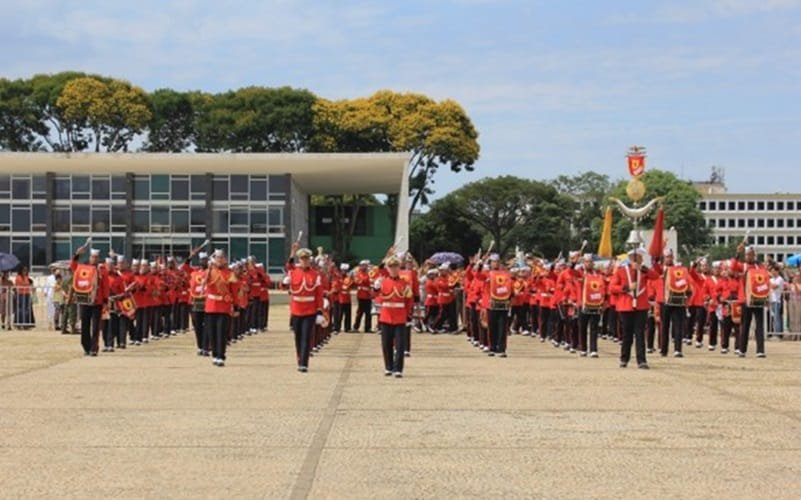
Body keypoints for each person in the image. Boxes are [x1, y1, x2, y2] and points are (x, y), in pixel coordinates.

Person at [609, 248, 662, 369]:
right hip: (625, 305)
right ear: (632, 258)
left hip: (641, 305)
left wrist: (643, 269)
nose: (641, 260)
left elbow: (656, 276)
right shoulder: (621, 271)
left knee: (640, 333)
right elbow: (612, 287)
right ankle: (624, 358)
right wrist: (626, 288)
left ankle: (641, 360)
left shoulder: (643, 271)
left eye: (641, 258)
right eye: (638, 257)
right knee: (627, 334)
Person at [284, 244, 324, 373]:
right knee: (298, 337)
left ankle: (304, 363)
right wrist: (292, 251)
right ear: (299, 260)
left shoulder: (315, 275)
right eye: (302, 259)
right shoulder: (293, 272)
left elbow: (319, 294)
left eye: (306, 259)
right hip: (296, 310)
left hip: (310, 311)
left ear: (309, 260)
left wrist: (319, 311)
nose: (304, 261)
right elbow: (288, 267)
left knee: (306, 337)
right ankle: (299, 358)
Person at [376, 256, 413, 377]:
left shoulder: (405, 283)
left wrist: (408, 314)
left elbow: (408, 300)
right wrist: (376, 288)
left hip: (400, 316)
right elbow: (377, 298)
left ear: (399, 268)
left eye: (396, 266)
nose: (393, 269)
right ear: (388, 268)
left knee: (400, 344)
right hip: (386, 315)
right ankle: (388, 367)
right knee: (386, 344)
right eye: (391, 267)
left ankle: (398, 369)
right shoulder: (383, 282)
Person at [71, 243, 110, 356]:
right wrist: (77, 254)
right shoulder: (83, 267)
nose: (94, 259)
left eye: (96, 257)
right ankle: (86, 346)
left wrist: (105, 299)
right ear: (89, 257)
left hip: (97, 301)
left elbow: (105, 285)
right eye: (93, 257)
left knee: (96, 327)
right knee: (85, 325)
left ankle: (93, 348)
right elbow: (73, 267)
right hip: (85, 299)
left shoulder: (102, 269)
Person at [730, 244, 769, 358]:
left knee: (759, 325)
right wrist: (737, 254)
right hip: (745, 299)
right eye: (747, 255)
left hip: (758, 298)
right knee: (745, 325)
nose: (749, 256)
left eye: (751, 255)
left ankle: (760, 350)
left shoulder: (759, 267)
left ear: (754, 255)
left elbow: (765, 279)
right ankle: (742, 350)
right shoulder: (742, 266)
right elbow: (733, 267)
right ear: (745, 255)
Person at [203, 249, 238, 367]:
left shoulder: (230, 273)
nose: (219, 260)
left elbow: (234, 291)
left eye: (222, 257)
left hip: (224, 306)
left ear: (225, 260)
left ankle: (221, 355)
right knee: (212, 332)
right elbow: (203, 283)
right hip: (211, 306)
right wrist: (208, 269)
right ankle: (214, 355)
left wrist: (236, 306)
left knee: (222, 332)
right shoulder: (209, 272)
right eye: (217, 257)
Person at [352, 260, 374, 333]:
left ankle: (368, 328)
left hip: (368, 296)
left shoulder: (369, 273)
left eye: (366, 265)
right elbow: (357, 282)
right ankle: (356, 327)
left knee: (368, 313)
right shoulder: (358, 274)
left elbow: (371, 282)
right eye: (363, 265)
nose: (365, 267)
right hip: (361, 295)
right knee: (360, 312)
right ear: (360, 266)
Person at [769, 266, 785, 336]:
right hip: (771, 300)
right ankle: (775, 332)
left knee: (777, 317)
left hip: (777, 301)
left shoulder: (780, 279)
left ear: (777, 271)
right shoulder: (771, 279)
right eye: (771, 271)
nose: (772, 272)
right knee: (773, 317)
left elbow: (774, 287)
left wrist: (767, 282)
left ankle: (778, 334)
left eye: (774, 271)